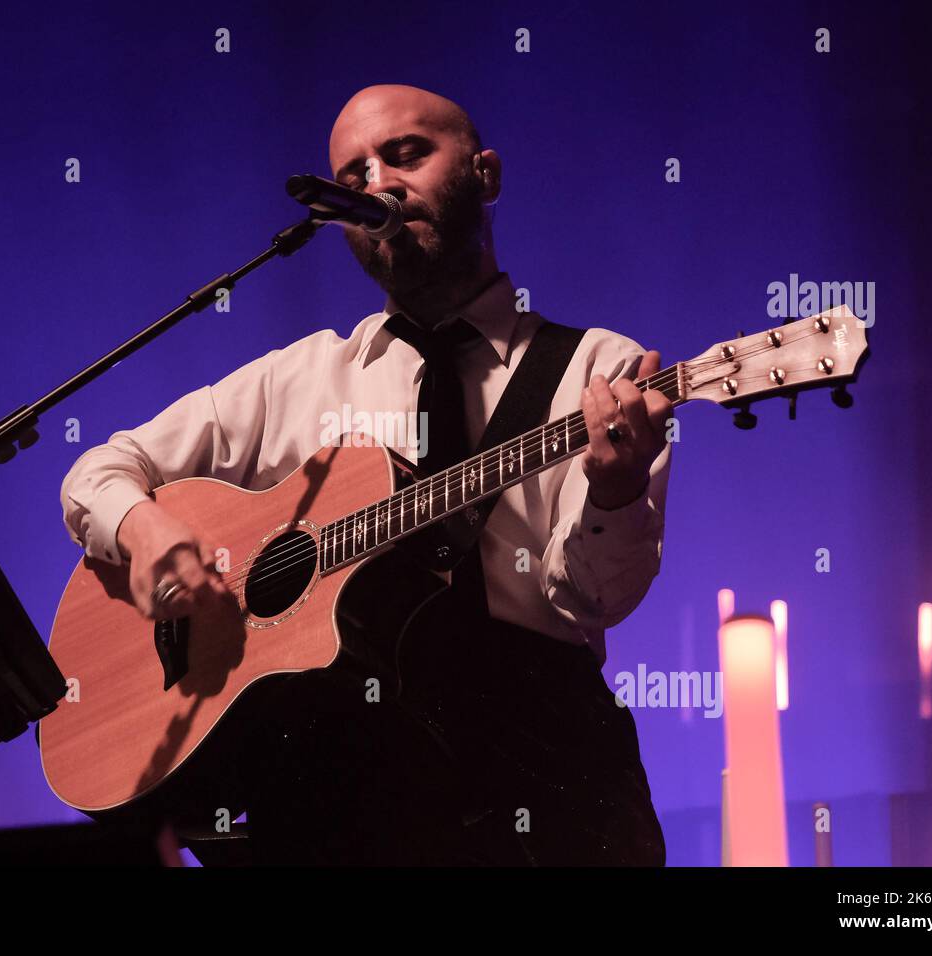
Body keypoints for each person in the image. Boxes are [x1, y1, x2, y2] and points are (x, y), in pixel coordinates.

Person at [61, 84, 674, 865]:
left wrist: (615, 494)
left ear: (485, 174)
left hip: (539, 768)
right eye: (353, 177)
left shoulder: (597, 369)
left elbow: (593, 597)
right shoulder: (305, 376)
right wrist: (144, 531)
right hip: (337, 793)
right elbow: (100, 469)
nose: (378, 183)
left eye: (407, 154)